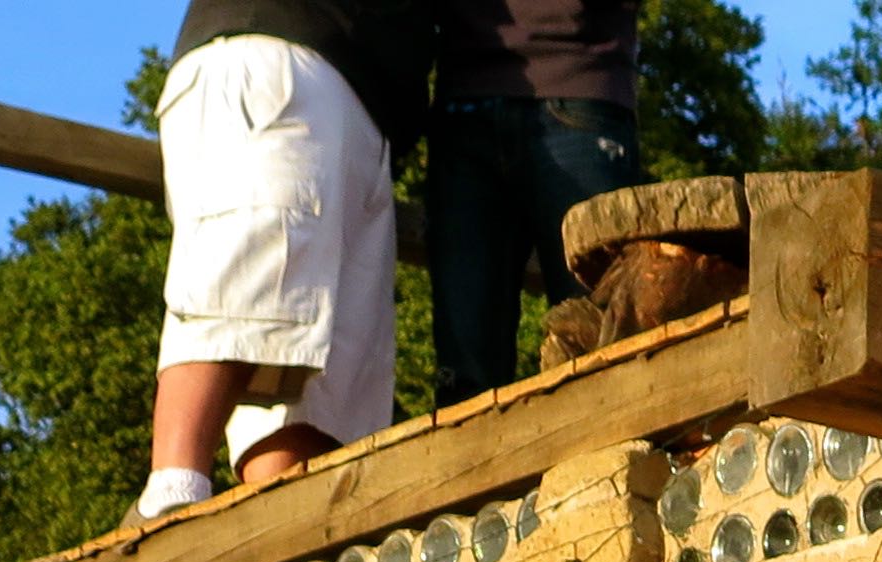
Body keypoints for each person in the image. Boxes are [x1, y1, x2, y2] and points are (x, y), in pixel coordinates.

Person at [130, 6, 429, 523]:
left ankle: (283, 539)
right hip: (278, 54)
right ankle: (170, 499)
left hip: (358, 103)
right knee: (243, 282)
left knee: (321, 363)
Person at [429, 0, 639, 404]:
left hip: (580, 86)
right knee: (464, 380)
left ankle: (610, 469)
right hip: (464, 97)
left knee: (600, 354)